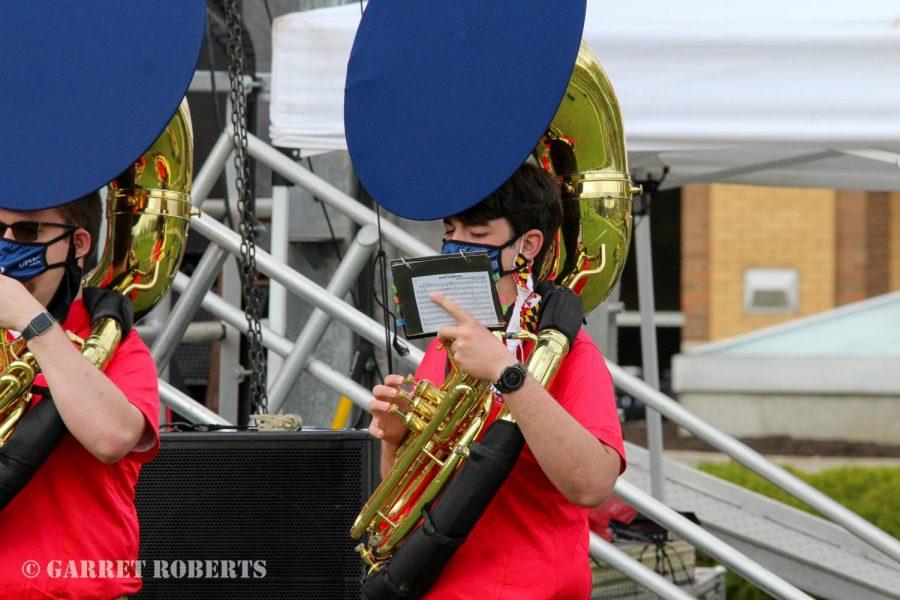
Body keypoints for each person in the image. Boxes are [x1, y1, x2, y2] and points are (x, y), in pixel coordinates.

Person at [369, 163, 627, 599]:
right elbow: (404, 502)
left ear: (527, 245)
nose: (456, 245)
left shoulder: (570, 352)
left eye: (478, 235)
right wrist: (394, 440)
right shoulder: (443, 346)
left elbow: (593, 485)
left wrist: (509, 376)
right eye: (451, 231)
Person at [0, 191, 160, 599]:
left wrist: (32, 322)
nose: (5, 245)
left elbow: (112, 438)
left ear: (78, 243)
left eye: (26, 230)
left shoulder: (114, 342)